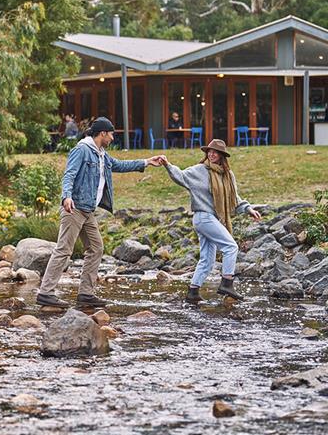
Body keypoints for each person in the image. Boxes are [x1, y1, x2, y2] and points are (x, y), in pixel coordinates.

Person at [36, 117, 165, 308]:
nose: (113, 138)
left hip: (87, 211)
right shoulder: (82, 150)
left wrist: (147, 162)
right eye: (111, 134)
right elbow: (69, 174)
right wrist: (66, 197)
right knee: (64, 249)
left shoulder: (102, 154)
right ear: (102, 133)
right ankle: (46, 293)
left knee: (96, 248)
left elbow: (120, 165)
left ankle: (86, 294)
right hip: (74, 208)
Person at [160, 139, 261, 303]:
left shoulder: (228, 175)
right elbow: (181, 176)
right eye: (209, 151)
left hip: (212, 219)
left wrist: (248, 209)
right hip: (203, 217)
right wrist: (167, 165)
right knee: (231, 247)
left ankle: (193, 291)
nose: (212, 154)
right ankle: (227, 283)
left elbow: (234, 198)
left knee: (207, 260)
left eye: (215, 152)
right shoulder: (200, 170)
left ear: (222, 156)